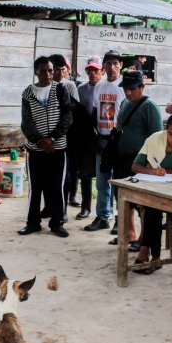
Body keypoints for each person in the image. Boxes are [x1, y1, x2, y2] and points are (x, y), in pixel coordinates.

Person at [130, 113, 172, 272]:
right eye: (171, 134)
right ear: (165, 131)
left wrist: (165, 171)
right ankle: (153, 254)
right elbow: (135, 166)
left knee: (153, 208)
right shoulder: (154, 138)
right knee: (153, 207)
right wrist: (152, 171)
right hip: (157, 189)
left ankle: (147, 251)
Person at [19, 56, 73, 238]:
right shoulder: (28, 93)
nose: (49, 74)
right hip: (35, 150)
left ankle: (57, 223)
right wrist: (40, 141)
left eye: (51, 70)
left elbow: (67, 117)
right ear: (36, 72)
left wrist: (52, 138)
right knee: (35, 187)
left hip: (58, 148)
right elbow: (26, 123)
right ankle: (32, 223)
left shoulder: (60, 89)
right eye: (44, 71)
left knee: (57, 186)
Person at [110, 70, 163, 245]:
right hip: (122, 158)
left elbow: (156, 138)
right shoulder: (125, 103)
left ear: (142, 87)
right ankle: (129, 233)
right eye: (125, 88)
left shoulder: (150, 106)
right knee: (123, 197)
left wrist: (148, 166)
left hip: (140, 162)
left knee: (142, 203)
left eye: (132, 89)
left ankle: (144, 238)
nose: (128, 92)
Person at [85, 51, 126, 232]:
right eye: (108, 63)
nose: (111, 67)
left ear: (120, 65)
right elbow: (95, 111)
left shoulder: (125, 85)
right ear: (104, 66)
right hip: (101, 139)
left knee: (118, 182)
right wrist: (93, 137)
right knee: (102, 182)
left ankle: (121, 218)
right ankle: (102, 216)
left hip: (118, 141)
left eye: (115, 63)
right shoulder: (100, 86)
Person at [49, 54, 79, 210]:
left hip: (64, 136)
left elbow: (74, 112)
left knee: (65, 174)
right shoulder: (42, 87)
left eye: (62, 69)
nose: (60, 73)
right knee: (48, 174)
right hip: (45, 138)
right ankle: (49, 206)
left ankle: (63, 209)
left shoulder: (70, 86)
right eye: (56, 70)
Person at [74, 56, 103, 220]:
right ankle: (85, 207)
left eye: (96, 70)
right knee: (85, 173)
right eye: (90, 70)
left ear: (102, 71)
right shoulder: (81, 89)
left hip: (103, 135)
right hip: (85, 136)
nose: (92, 73)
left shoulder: (106, 87)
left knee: (104, 175)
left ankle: (104, 211)